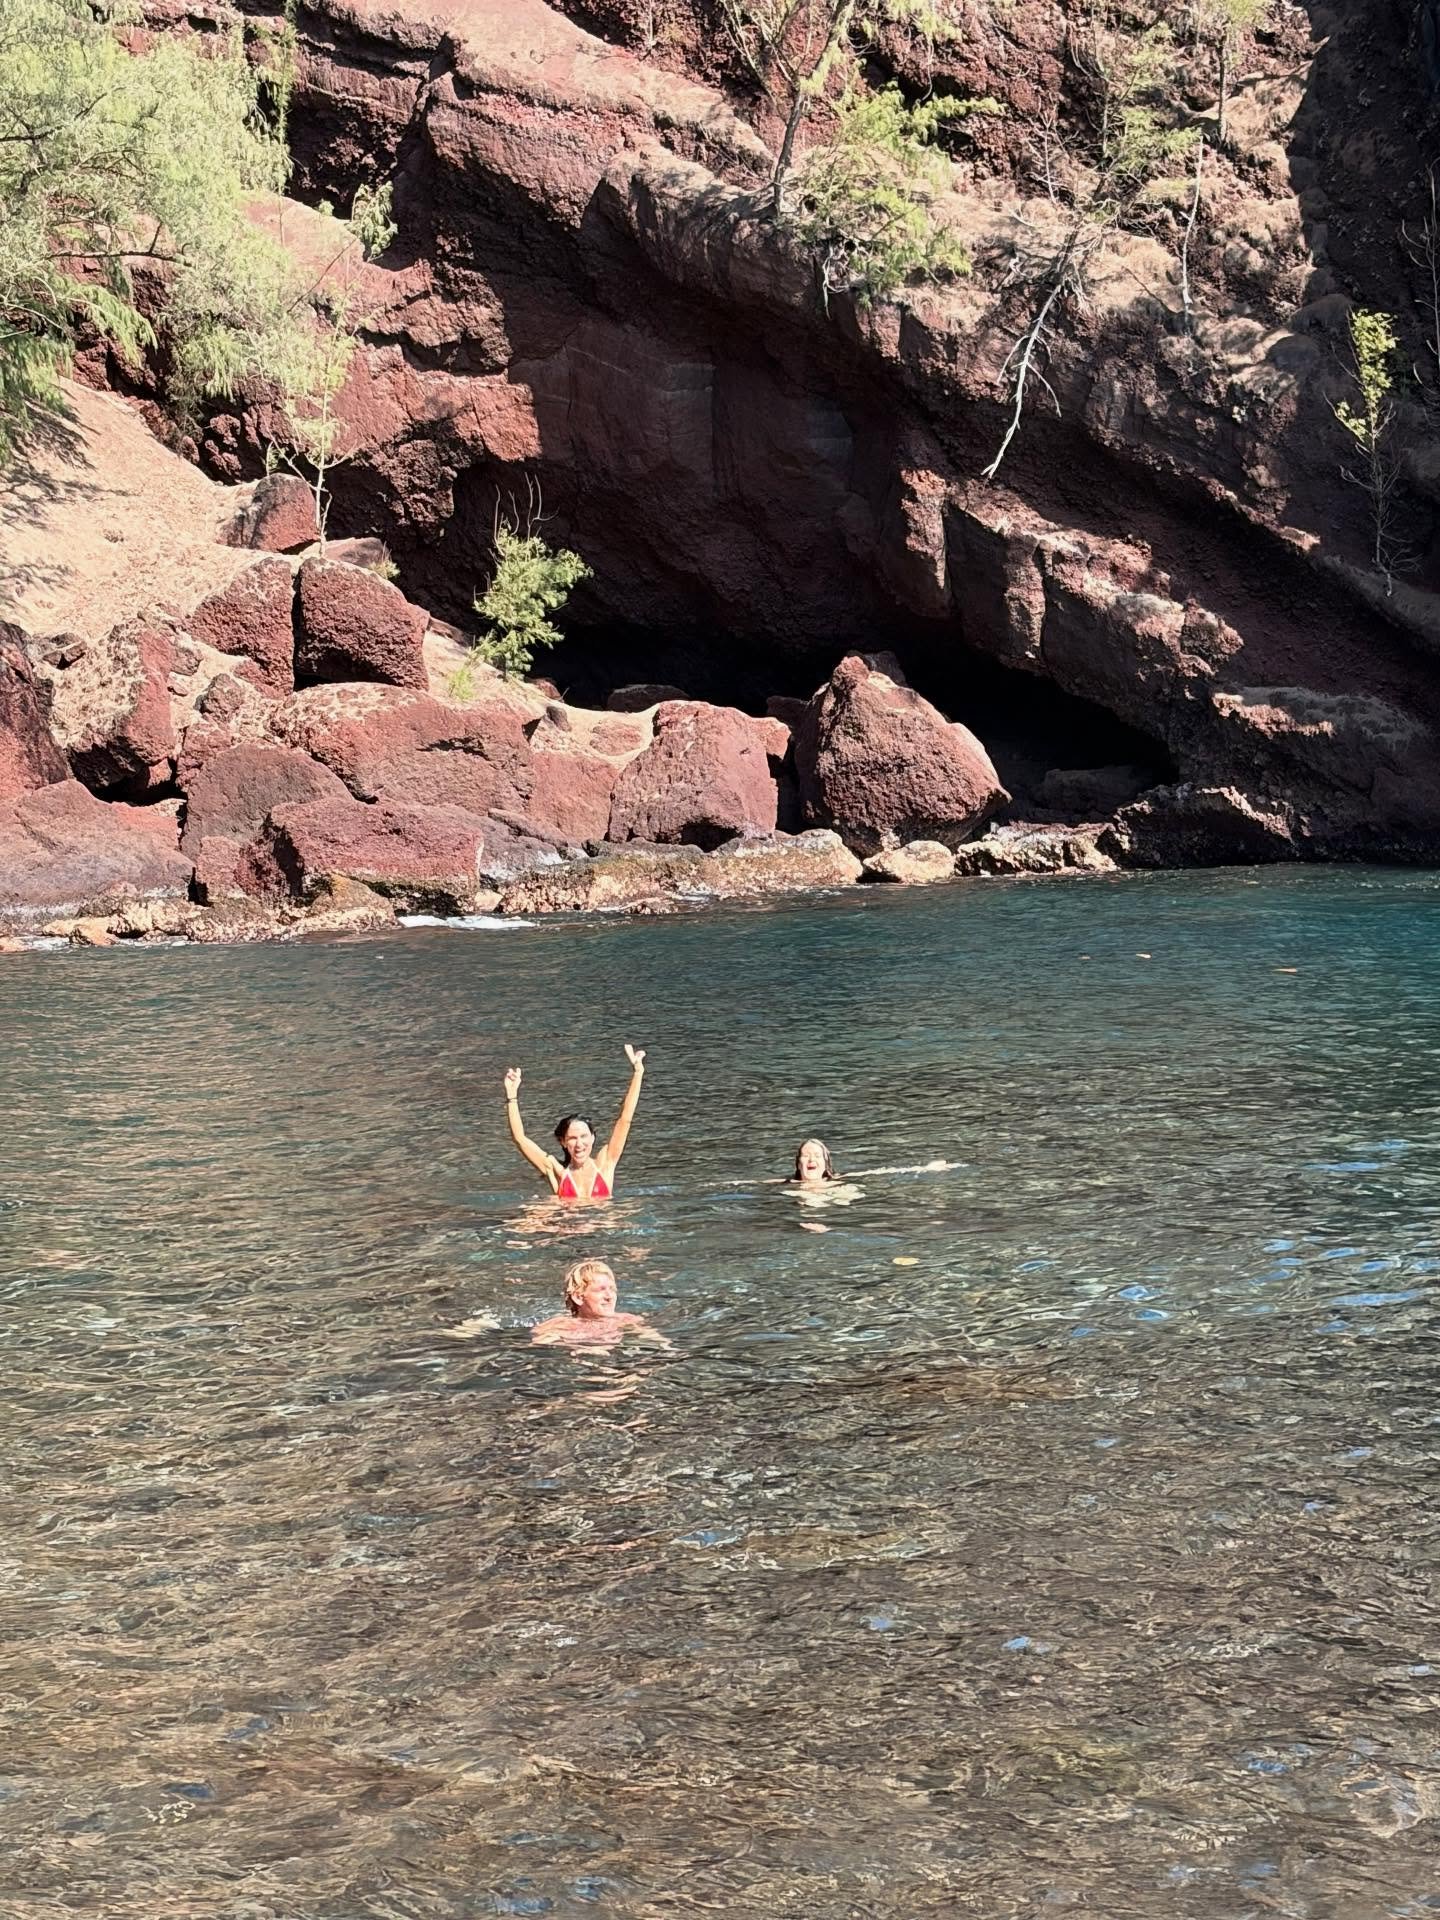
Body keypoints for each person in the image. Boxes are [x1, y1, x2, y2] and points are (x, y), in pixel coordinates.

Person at [503, 1045, 646, 1200]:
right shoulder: (556, 1170)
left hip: (601, 1222)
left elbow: (625, 1120)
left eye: (584, 1136)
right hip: (566, 1222)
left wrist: (638, 1073)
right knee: (535, 1214)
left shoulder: (605, 1163)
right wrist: (512, 1097)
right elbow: (519, 1138)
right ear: (563, 1142)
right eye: (572, 1138)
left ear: (593, 1138)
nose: (579, 1144)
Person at [531, 1259, 666, 1347]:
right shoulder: (559, 1326)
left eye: (612, 1290)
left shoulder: (627, 1320)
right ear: (578, 1297)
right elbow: (537, 1348)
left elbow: (661, 1344)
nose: (609, 1296)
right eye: (601, 1290)